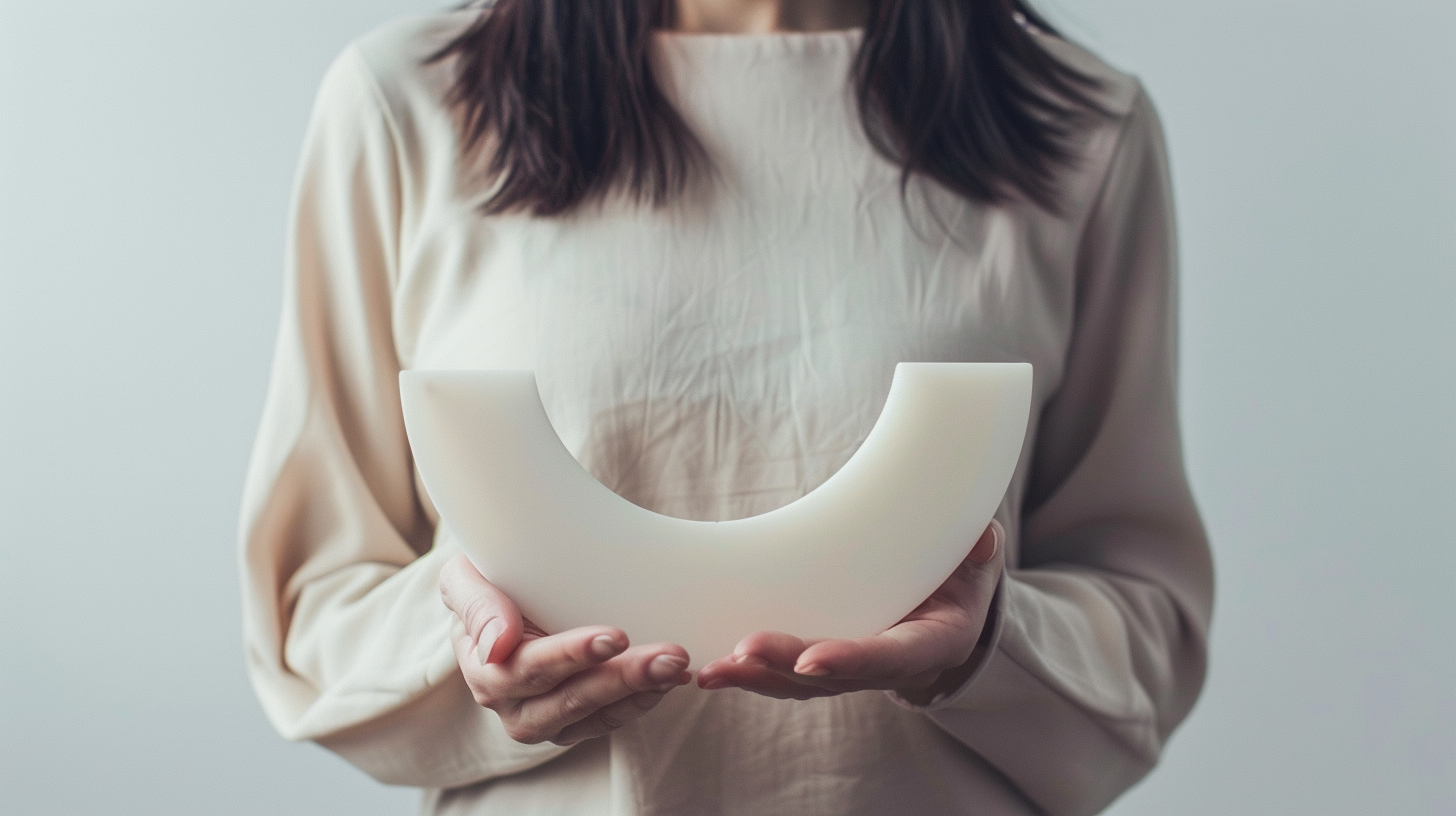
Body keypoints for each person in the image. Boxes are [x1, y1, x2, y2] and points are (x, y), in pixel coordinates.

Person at [239, 0, 1213, 813]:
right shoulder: (407, 103)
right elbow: (310, 610)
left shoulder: (1081, 125)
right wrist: (476, 653)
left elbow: (1147, 626)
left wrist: (984, 645)